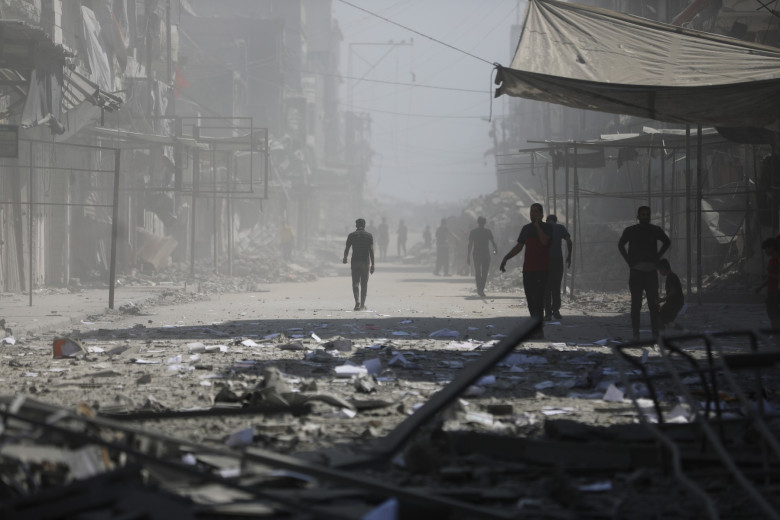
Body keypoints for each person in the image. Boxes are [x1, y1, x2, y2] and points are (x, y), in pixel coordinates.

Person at [617, 206, 671, 340]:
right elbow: (620, 245)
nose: (645, 216)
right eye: (643, 214)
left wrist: (657, 257)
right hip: (636, 272)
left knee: (653, 305)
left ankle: (655, 333)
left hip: (651, 272)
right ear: (638, 216)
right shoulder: (631, 231)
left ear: (650, 216)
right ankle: (636, 332)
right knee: (636, 305)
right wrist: (629, 261)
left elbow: (667, 242)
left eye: (647, 214)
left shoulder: (655, 230)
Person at [499, 203, 551, 337]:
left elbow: (545, 242)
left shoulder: (547, 227)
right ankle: (535, 325)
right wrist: (506, 258)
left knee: (538, 299)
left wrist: (538, 226)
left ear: (541, 214)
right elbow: (519, 247)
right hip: (528, 269)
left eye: (535, 212)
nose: (532, 214)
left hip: (542, 269)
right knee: (530, 299)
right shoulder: (526, 229)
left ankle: (538, 329)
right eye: (531, 211)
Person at [544, 214, 573, 320]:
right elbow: (569, 241)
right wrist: (569, 256)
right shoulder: (560, 227)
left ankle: (547, 313)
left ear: (547, 220)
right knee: (556, 285)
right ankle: (556, 311)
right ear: (555, 221)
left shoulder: (543, 227)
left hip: (545, 260)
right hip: (557, 260)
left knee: (546, 287)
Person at [343, 218, 375, 311]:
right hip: (365, 262)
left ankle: (357, 301)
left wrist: (345, 258)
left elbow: (347, 248)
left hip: (355, 261)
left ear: (356, 225)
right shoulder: (369, 236)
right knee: (364, 284)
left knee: (355, 282)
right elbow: (371, 251)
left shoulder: (352, 235)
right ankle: (362, 305)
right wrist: (373, 264)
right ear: (365, 225)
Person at [467, 216, 497, 297]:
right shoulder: (488, 231)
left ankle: (479, 288)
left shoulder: (473, 232)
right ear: (485, 223)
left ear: (478, 222)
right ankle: (481, 289)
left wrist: (468, 256)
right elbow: (493, 243)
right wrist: (495, 252)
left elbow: (470, 244)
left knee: (477, 272)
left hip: (476, 254)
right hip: (486, 254)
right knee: (484, 273)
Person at [756, 237, 780, 330]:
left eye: (766, 248)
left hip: (776, 292)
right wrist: (761, 287)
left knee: (774, 317)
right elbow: (771, 278)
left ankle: (776, 338)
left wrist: (769, 275)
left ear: (772, 248)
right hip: (772, 292)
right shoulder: (772, 260)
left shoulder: (777, 259)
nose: (765, 251)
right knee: (773, 316)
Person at [657, 258, 683, 329]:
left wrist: (663, 300)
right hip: (675, 303)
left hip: (674, 303)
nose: (660, 272)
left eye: (660, 270)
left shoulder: (671, 277)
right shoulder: (671, 276)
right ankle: (683, 331)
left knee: (659, 318)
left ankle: (662, 336)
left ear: (664, 268)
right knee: (666, 320)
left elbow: (673, 291)